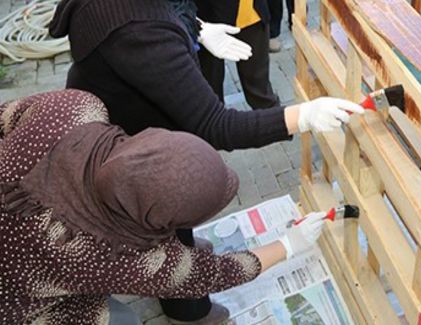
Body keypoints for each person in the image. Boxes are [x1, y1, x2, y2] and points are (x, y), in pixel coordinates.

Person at [48, 0, 363, 324]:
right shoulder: (139, 30)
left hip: (119, 99)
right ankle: (187, 306)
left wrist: (193, 28)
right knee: (164, 205)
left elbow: (159, 4)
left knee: (172, 215)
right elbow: (215, 124)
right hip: (125, 130)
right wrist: (302, 116)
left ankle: (182, 266)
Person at [0, 89, 327, 325]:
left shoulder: (73, 110)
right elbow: (212, 274)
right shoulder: (125, 259)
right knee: (118, 319)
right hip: (13, 298)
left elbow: (4, 115)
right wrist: (288, 245)